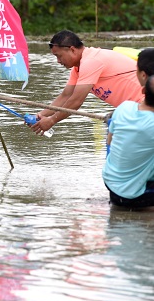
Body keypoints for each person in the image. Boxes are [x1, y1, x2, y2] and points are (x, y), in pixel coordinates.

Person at [30, 30, 142, 136]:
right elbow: (65, 96)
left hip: (146, 105)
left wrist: (51, 121)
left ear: (72, 50)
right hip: (136, 109)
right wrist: (40, 115)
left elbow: (76, 101)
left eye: (59, 56)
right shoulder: (78, 68)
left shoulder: (91, 61)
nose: (58, 61)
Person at [102, 75, 154, 208]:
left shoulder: (124, 107)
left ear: (142, 91)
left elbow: (109, 142)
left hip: (112, 185)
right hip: (138, 196)